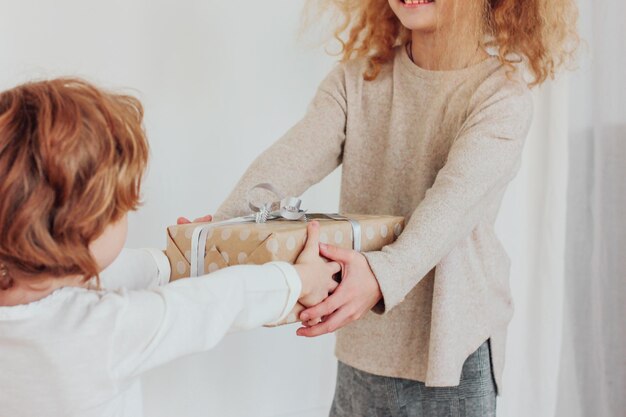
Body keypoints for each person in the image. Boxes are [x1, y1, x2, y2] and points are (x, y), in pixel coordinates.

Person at [182, 0, 579, 415]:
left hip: (448, 351)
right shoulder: (358, 79)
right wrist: (219, 234)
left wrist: (379, 274)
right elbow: (289, 160)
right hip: (364, 341)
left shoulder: (501, 98)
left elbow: (449, 207)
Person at [0, 78, 340, 417]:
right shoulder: (100, 333)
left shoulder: (30, 292)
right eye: (122, 209)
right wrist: (298, 280)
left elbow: (113, 274)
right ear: (80, 231)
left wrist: (176, 263)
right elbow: (207, 306)